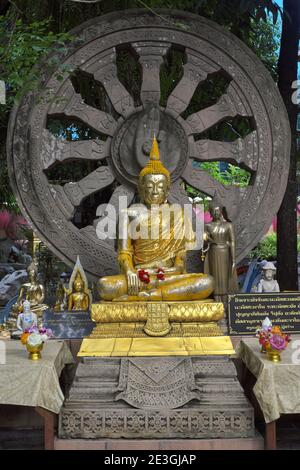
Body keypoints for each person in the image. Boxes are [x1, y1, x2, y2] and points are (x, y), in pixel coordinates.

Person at [98, 136, 214, 302]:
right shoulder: (129, 213)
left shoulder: (179, 214)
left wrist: (175, 269)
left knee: (206, 282)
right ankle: (160, 294)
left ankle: (155, 295)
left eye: (160, 187)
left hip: (169, 277)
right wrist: (130, 271)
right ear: (141, 189)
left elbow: (181, 258)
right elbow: (124, 253)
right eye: (150, 187)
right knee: (105, 286)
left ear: (167, 191)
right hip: (138, 277)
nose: (154, 192)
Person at [204, 200, 239, 302]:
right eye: (213, 211)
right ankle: (216, 301)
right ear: (210, 213)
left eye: (217, 211)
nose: (216, 213)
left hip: (225, 253)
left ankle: (225, 302)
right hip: (213, 253)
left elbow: (232, 242)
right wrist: (206, 238)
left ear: (221, 212)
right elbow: (204, 241)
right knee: (214, 276)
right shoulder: (208, 226)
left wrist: (233, 260)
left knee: (224, 278)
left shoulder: (228, 225)